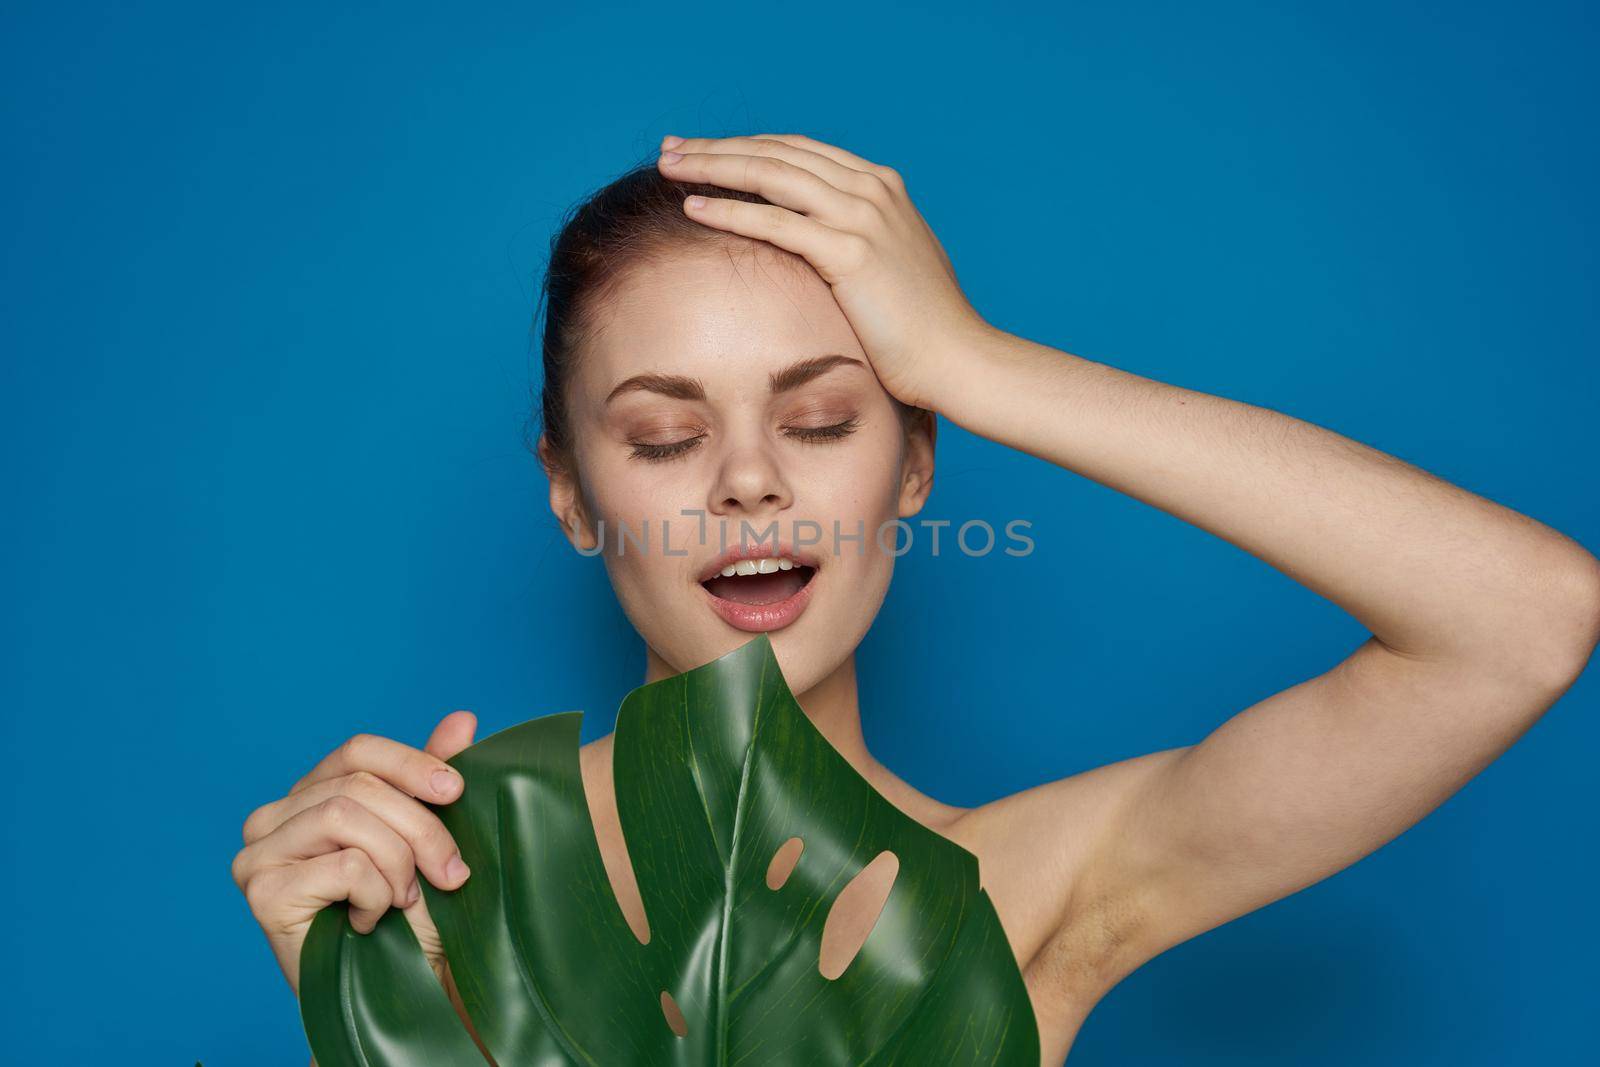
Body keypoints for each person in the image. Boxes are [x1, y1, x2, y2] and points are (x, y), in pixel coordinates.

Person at [232, 133, 1600, 1066]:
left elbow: (1525, 619)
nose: (750, 481)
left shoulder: (1028, 894)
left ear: (916, 467)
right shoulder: (432, 900)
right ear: (572, 493)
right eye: (662, 439)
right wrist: (363, 1013)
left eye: (825, 418)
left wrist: (974, 360)